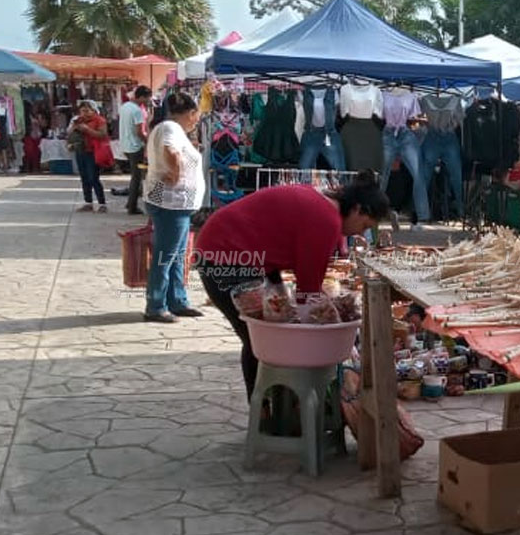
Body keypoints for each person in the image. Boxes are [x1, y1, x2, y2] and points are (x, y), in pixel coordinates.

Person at [196, 172, 389, 396]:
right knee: (263, 342)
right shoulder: (327, 219)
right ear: (357, 209)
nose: (361, 232)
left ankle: (274, 409)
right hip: (225, 254)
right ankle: (269, 414)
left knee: (267, 335)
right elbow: (307, 293)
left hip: (239, 254)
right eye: (365, 224)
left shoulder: (324, 207)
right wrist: (331, 327)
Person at [143, 92, 206, 323]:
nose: (196, 121)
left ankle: (177, 300)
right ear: (190, 113)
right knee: (166, 256)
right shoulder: (170, 127)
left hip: (175, 203)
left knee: (177, 255)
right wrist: (176, 172)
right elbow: (171, 151)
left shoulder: (168, 127)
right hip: (170, 203)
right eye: (196, 116)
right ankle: (156, 305)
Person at [68, 101, 109, 212]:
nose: (84, 113)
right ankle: (88, 202)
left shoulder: (99, 120)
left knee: (94, 178)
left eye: (87, 111)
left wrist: (87, 129)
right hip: (81, 151)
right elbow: (70, 134)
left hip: (93, 152)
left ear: (93, 110)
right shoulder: (78, 121)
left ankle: (102, 203)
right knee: (84, 178)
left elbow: (102, 135)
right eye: (82, 111)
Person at [121, 86, 152, 215]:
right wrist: (148, 142)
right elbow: (140, 131)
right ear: (141, 97)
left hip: (126, 145)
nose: (148, 101)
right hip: (135, 146)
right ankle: (132, 206)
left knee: (135, 176)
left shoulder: (125, 107)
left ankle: (130, 203)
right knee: (137, 177)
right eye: (147, 98)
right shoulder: (137, 111)